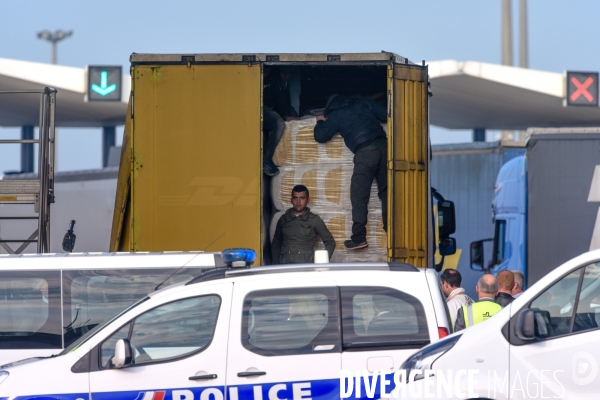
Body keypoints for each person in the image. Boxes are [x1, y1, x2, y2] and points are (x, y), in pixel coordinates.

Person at [314, 94, 387, 250]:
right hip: (386, 149)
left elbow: (320, 136)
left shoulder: (336, 115)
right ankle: (393, 231)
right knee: (387, 193)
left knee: (359, 197)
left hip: (365, 153)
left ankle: (359, 238)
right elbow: (386, 116)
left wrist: (320, 120)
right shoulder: (365, 102)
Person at [271, 185, 335, 264]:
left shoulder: (314, 220)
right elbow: (276, 243)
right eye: (295, 198)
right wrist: (276, 264)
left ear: (308, 200)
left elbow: (330, 242)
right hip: (285, 266)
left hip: (306, 267)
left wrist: (320, 262)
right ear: (291, 200)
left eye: (302, 198)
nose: (298, 201)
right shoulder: (283, 219)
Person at [263, 67, 299, 177]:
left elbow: (281, 100)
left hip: (271, 108)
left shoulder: (279, 83)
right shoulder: (262, 78)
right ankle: (265, 161)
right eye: (284, 73)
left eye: (289, 74)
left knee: (294, 120)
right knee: (279, 123)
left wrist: (290, 115)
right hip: (256, 104)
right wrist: (285, 116)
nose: (286, 76)